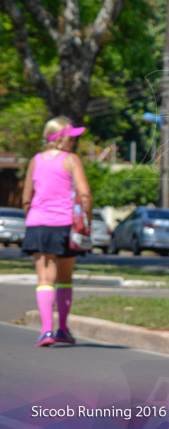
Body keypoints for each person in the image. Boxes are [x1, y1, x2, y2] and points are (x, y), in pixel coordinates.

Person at [21, 117, 92, 346]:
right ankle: (61, 328)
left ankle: (45, 331)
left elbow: (26, 199)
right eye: (71, 137)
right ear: (59, 138)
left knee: (44, 279)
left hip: (37, 224)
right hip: (64, 225)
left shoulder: (35, 160)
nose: (74, 142)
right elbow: (85, 195)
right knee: (64, 278)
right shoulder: (71, 160)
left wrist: (34, 218)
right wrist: (86, 222)